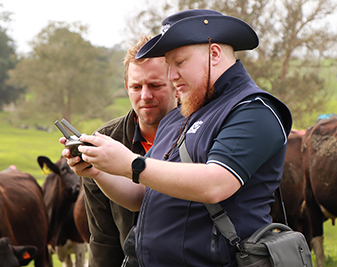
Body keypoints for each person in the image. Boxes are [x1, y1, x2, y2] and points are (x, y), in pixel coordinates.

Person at [62, 9, 292, 267]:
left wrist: (131, 164)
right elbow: (142, 195)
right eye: (169, 66)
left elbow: (216, 184)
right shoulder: (178, 116)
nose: (171, 77)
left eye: (179, 63)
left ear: (214, 54)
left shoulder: (254, 110)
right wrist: (99, 171)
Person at [81, 34, 177, 266]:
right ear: (126, 87)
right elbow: (103, 237)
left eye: (155, 85)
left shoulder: (202, 132)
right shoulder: (104, 142)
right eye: (136, 86)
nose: (145, 96)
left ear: (176, 82)